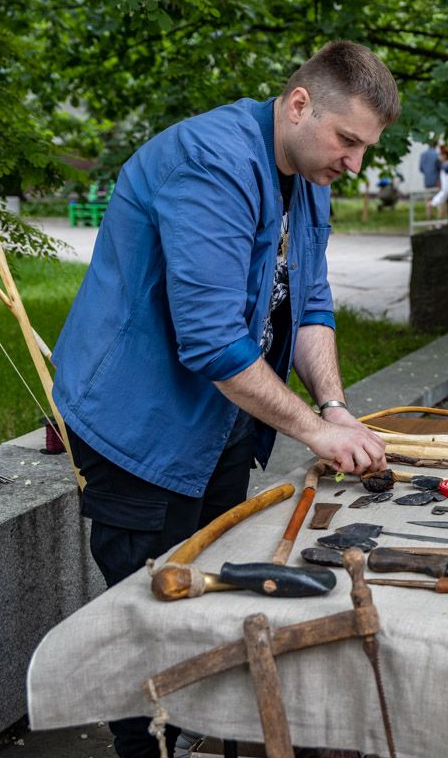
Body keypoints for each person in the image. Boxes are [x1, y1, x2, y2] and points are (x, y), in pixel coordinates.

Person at [51, 40, 397, 758]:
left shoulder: (311, 176)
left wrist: (334, 408)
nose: (355, 164)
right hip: (138, 427)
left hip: (220, 421)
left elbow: (311, 304)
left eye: (366, 148)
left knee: (212, 604)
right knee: (150, 616)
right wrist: (314, 433)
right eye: (347, 141)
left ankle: (199, 734)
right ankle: (148, 747)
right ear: (299, 104)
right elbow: (210, 343)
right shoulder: (210, 162)